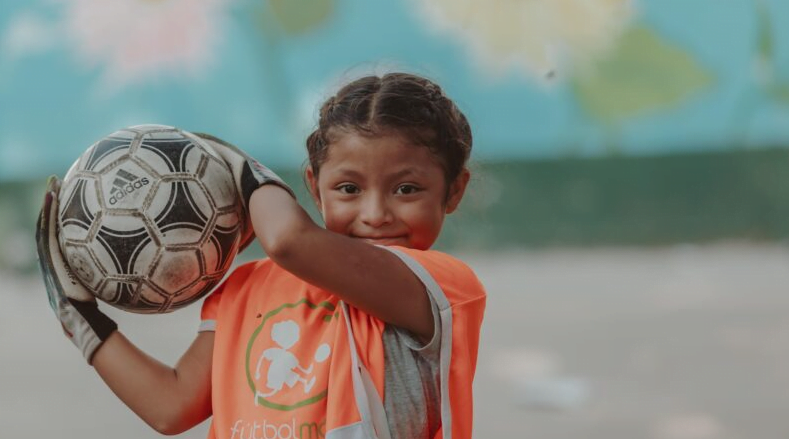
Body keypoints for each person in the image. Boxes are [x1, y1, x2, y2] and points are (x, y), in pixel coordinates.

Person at [36, 72, 487, 439]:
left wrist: (247, 172)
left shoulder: (439, 287)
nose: (375, 215)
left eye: (406, 189)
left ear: (454, 190)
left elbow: (289, 241)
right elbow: (170, 408)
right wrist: (81, 318)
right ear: (313, 186)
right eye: (348, 189)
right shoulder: (247, 287)